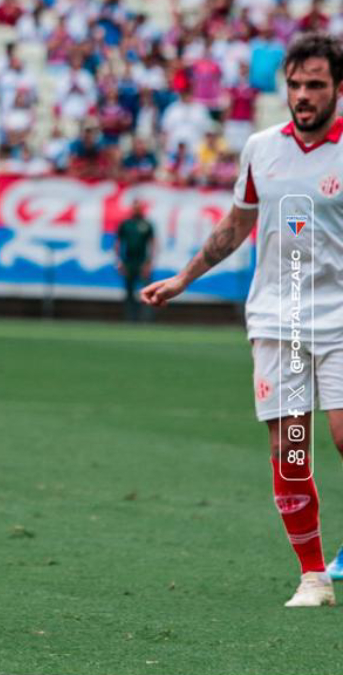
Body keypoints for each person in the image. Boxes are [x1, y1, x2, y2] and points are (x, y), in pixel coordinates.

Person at [142, 33, 343, 606]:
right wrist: (184, 277)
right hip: (281, 324)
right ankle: (313, 577)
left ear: (338, 88)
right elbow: (237, 223)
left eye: (316, 85)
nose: (303, 96)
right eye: (296, 85)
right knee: (292, 450)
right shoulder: (260, 148)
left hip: (340, 320)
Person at [116, 202, 155, 322]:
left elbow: (152, 244)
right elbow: (118, 243)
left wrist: (148, 262)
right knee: (129, 291)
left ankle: (146, 319)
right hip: (128, 262)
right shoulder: (126, 224)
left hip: (142, 262)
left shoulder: (147, 224)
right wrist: (119, 261)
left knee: (146, 291)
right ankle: (130, 318)